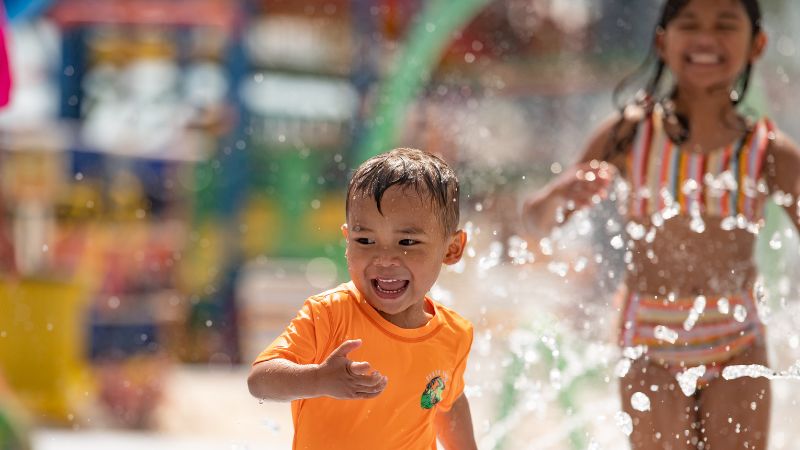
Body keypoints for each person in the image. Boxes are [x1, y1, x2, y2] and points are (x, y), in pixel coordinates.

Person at [522, 1, 800, 449]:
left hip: (736, 337)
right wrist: (560, 194)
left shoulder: (767, 151)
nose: (706, 37)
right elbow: (537, 222)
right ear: (661, 42)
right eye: (689, 24)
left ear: (757, 44)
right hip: (650, 338)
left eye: (725, 25)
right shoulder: (630, 135)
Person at [247, 148, 478, 450]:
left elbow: (449, 403)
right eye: (365, 240)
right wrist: (317, 379)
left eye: (407, 241)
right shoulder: (330, 314)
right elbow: (260, 380)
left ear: (451, 249)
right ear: (347, 241)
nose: (384, 259)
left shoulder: (453, 334)